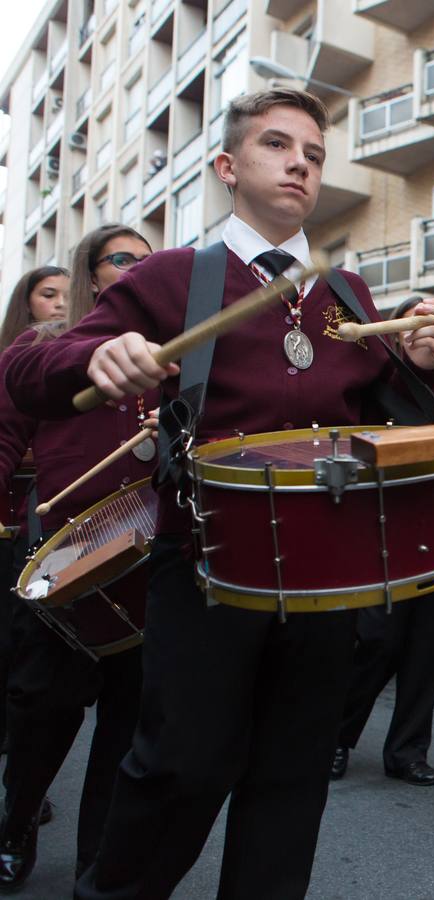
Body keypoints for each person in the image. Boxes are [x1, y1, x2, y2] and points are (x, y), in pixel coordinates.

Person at [6, 89, 434, 900]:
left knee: (291, 783)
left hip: (326, 580)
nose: (299, 164)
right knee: (175, 768)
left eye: (314, 155)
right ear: (227, 167)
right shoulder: (174, 275)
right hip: (208, 566)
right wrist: (98, 358)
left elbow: (390, 421)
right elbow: (27, 370)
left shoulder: (346, 297)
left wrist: (424, 363)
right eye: (277, 146)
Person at [0, 227, 152, 888]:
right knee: (43, 709)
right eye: (124, 259)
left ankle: (99, 860)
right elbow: (4, 435)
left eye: (151, 262)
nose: (141, 270)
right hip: (64, 555)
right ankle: (17, 820)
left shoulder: (171, 355)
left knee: (130, 723)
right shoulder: (46, 347)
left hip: (149, 559)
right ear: (91, 273)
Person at [333, 298, 434, 787]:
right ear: (394, 334)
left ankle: (408, 750)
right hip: (381, 537)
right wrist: (415, 368)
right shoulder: (374, 389)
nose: (424, 334)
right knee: (375, 642)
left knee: (427, 651)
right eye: (414, 323)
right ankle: (337, 736)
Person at [0, 265, 70, 766]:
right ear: (27, 302)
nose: (62, 304)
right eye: (49, 295)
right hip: (17, 522)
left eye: (70, 295)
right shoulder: (21, 356)